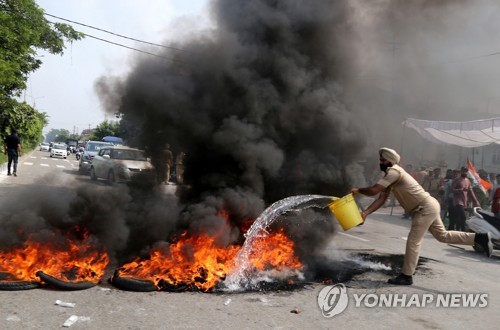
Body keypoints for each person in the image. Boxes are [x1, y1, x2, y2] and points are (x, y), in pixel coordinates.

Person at [351, 147, 493, 286]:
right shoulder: (391, 176)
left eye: (382, 160)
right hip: (429, 205)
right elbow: (381, 199)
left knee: (413, 241)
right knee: (442, 236)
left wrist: (357, 190)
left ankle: (406, 276)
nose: (380, 163)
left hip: (423, 208)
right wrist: (365, 214)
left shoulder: (394, 171)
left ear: (389, 161)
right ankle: (481, 238)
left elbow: (373, 190)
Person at [450, 166, 481, 232]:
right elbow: (452, 190)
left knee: (459, 218)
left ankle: (457, 231)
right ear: (461, 171)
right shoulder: (456, 180)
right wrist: (460, 190)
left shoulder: (468, 181)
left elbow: (471, 192)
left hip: (464, 202)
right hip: (457, 201)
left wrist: (476, 201)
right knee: (463, 217)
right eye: (463, 171)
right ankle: (463, 231)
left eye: (466, 171)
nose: (465, 172)